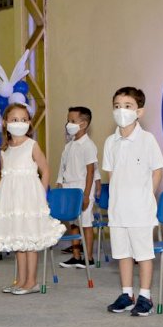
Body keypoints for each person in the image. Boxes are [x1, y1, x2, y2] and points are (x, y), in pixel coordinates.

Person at [103, 87, 163, 317]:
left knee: (143, 254)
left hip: (140, 210)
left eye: (127, 106)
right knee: (122, 253)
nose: (121, 111)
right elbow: (111, 174)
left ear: (139, 111)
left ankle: (145, 295)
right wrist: (116, 199)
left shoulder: (147, 139)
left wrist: (147, 195)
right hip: (118, 210)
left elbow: (157, 170)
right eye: (117, 106)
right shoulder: (111, 142)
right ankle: (126, 294)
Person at [0, 103, 65, 294]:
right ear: (5, 123)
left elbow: (46, 169)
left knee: (29, 241)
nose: (19, 123)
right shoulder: (4, 151)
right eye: (14, 120)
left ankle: (31, 282)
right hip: (12, 202)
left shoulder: (31, 145)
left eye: (23, 119)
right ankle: (20, 280)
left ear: (29, 123)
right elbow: (4, 177)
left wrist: (41, 194)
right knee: (19, 241)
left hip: (29, 201)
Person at [57, 106, 99, 269]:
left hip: (82, 188)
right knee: (73, 223)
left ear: (84, 124)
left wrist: (86, 195)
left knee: (86, 223)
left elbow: (90, 172)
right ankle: (76, 256)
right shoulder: (69, 145)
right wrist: (60, 182)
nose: (69, 124)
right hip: (69, 188)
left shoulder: (88, 145)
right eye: (68, 120)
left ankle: (88, 257)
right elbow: (63, 166)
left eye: (72, 121)